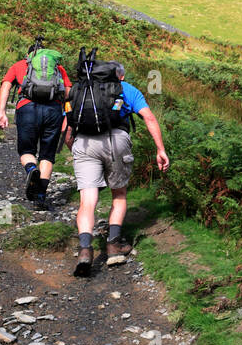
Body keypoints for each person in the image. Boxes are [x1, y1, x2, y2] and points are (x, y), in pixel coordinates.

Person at [64, 56, 169, 277]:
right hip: (117, 141)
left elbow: (68, 123)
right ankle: (113, 246)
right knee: (119, 194)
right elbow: (148, 118)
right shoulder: (126, 88)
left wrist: (72, 147)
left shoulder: (81, 88)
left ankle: (84, 250)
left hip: (84, 142)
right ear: (118, 75)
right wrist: (160, 149)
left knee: (87, 200)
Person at [0, 39, 70, 211]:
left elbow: (6, 86)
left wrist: (2, 112)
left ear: (28, 55)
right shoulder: (58, 68)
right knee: (47, 154)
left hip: (27, 108)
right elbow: (68, 93)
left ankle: (31, 169)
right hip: (53, 110)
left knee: (27, 151)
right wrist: (67, 117)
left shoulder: (19, 65)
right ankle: (41, 195)